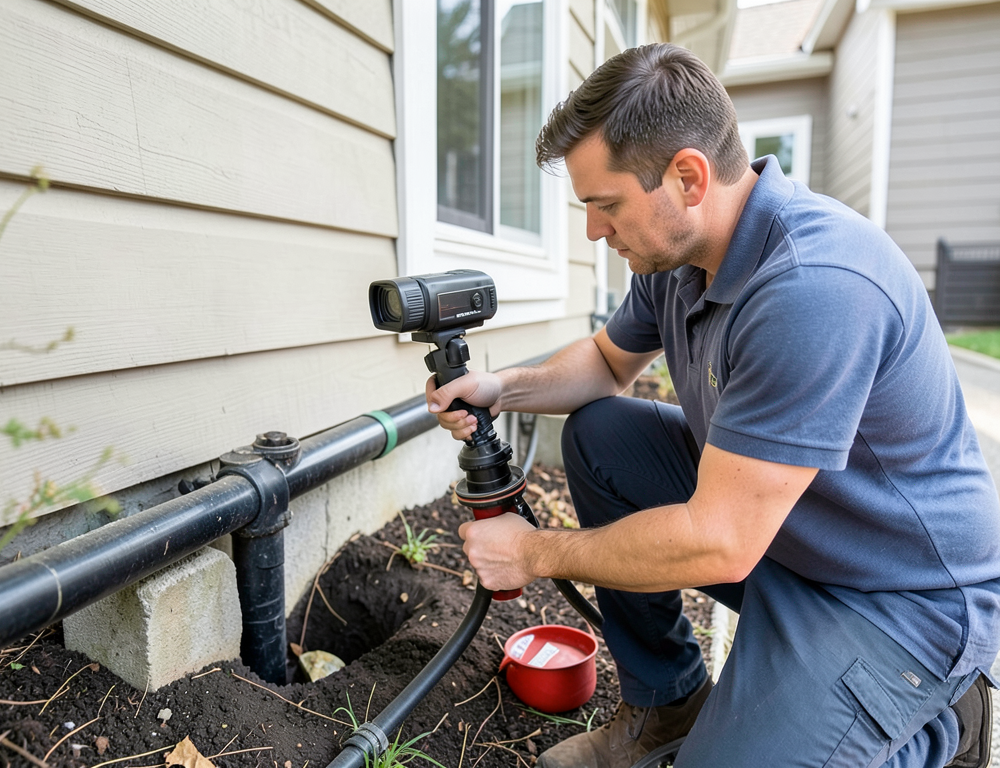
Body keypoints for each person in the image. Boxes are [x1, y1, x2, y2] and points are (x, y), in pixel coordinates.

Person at [425, 43, 1000, 768]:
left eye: (606, 205)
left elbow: (721, 539)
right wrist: (502, 388)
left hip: (898, 601)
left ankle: (945, 720)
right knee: (603, 436)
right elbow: (606, 362)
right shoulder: (680, 257)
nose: (594, 232)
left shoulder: (814, 287)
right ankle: (667, 704)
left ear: (688, 177)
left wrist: (533, 553)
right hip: (784, 536)